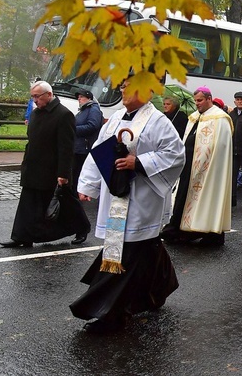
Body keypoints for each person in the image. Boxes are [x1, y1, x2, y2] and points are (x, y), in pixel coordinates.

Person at [70, 77, 185, 334]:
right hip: (116, 195)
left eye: (127, 88)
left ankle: (107, 308)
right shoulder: (116, 117)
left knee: (129, 248)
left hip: (142, 196)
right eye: (121, 87)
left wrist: (139, 162)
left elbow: (176, 154)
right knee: (144, 245)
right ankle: (158, 288)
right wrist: (87, 185)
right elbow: (98, 149)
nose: (122, 91)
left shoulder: (158, 121)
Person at [1, 81, 91, 247]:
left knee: (65, 203)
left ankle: (82, 227)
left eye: (37, 96)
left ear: (49, 95)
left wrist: (63, 173)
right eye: (33, 97)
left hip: (52, 169)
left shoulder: (64, 115)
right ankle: (22, 237)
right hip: (33, 167)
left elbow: (66, 147)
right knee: (28, 204)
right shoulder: (35, 113)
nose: (35, 100)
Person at [162, 87, 233, 246]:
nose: (197, 104)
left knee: (208, 198)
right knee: (182, 196)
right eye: (195, 101)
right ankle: (180, 230)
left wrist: (204, 160)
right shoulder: (194, 117)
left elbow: (221, 146)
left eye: (200, 100)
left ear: (209, 98)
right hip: (188, 165)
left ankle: (210, 233)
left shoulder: (220, 118)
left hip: (209, 169)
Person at [72, 89, 103, 193]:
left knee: (78, 172)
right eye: (78, 97)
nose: (79, 99)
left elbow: (93, 126)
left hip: (84, 147)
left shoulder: (93, 109)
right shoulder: (83, 110)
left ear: (89, 98)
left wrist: (73, 130)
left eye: (81, 97)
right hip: (78, 147)